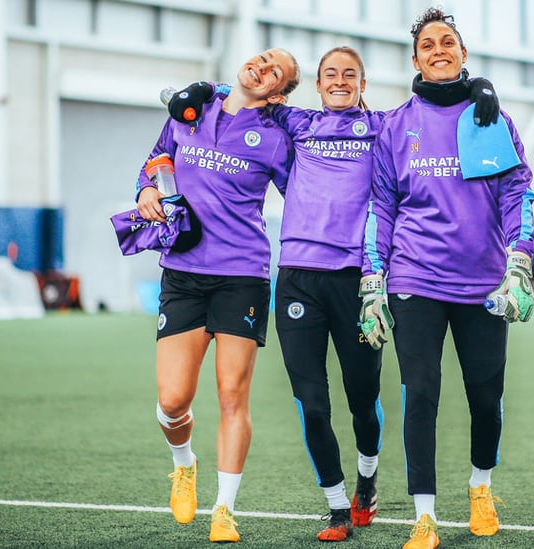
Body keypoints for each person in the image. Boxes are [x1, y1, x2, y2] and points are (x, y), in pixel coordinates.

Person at [166, 47, 501, 543]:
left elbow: (432, 108)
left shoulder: (385, 127)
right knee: (312, 402)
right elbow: (246, 92)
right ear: (317, 87)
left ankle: (367, 479)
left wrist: (477, 88)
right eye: (330, 75)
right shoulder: (296, 122)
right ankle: (337, 505)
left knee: (362, 400)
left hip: (357, 281)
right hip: (298, 278)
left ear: (362, 84)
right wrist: (204, 89)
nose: (340, 81)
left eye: (350, 74)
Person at [358, 7, 534, 549]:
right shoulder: (393, 126)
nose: (439, 49)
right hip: (415, 279)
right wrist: (372, 282)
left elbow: (516, 192)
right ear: (415, 59)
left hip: (483, 282)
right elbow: (380, 206)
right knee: (422, 393)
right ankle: (425, 516)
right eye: (428, 43)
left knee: (486, 397)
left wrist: (520, 261)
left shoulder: (492, 120)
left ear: (463, 54)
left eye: (448, 41)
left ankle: (480, 488)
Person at [134, 47, 299, 544]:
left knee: (232, 395)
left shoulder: (276, 137)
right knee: (173, 399)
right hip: (183, 273)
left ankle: (224, 509)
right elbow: (156, 161)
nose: (262, 67)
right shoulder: (192, 107)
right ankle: (184, 464)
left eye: (276, 71)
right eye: (262, 58)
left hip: (242, 275)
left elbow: (306, 197)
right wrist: (146, 189)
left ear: (280, 92)